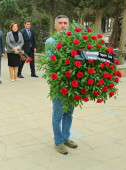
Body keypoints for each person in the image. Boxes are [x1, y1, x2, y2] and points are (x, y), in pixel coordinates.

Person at [46, 15, 78, 154]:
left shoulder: (75, 41)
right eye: (60, 23)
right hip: (58, 83)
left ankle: (66, 138)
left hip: (72, 84)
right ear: (55, 26)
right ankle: (58, 142)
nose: (63, 25)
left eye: (65, 23)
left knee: (69, 113)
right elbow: (50, 63)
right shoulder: (50, 42)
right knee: (58, 114)